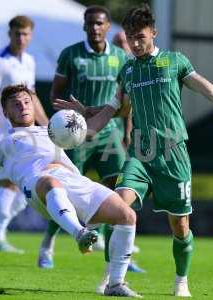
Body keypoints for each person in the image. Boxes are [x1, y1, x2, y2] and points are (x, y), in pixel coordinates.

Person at [53, 4, 213, 297]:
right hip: (140, 155)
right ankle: (112, 280)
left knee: (180, 226)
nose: (135, 43)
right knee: (118, 207)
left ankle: (180, 282)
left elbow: (211, 91)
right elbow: (112, 110)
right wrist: (83, 125)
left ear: (154, 34)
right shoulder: (128, 70)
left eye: (140, 37)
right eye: (131, 38)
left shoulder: (174, 62)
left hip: (173, 156)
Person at [0, 84, 141, 298]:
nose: (23, 106)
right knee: (50, 182)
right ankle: (80, 233)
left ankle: (115, 284)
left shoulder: (51, 129)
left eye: (27, 101)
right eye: (15, 104)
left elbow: (91, 128)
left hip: (74, 182)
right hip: (37, 184)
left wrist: (114, 101)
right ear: (5, 111)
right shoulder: (0, 140)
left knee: (127, 216)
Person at [37, 5, 144, 278]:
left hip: (110, 134)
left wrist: (128, 130)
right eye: (91, 23)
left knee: (120, 193)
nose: (95, 28)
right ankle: (47, 246)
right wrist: (65, 122)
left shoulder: (121, 57)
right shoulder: (71, 55)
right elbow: (56, 94)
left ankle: (120, 253)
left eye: (100, 24)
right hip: (78, 136)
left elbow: (127, 100)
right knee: (66, 194)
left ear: (109, 27)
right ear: (85, 26)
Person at [0, 15, 48, 253]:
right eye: (17, 34)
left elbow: (32, 97)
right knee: (8, 184)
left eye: (25, 34)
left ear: (31, 36)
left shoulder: (29, 61)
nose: (21, 38)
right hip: (5, 133)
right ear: (9, 34)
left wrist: (47, 125)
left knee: (25, 187)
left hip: (27, 134)